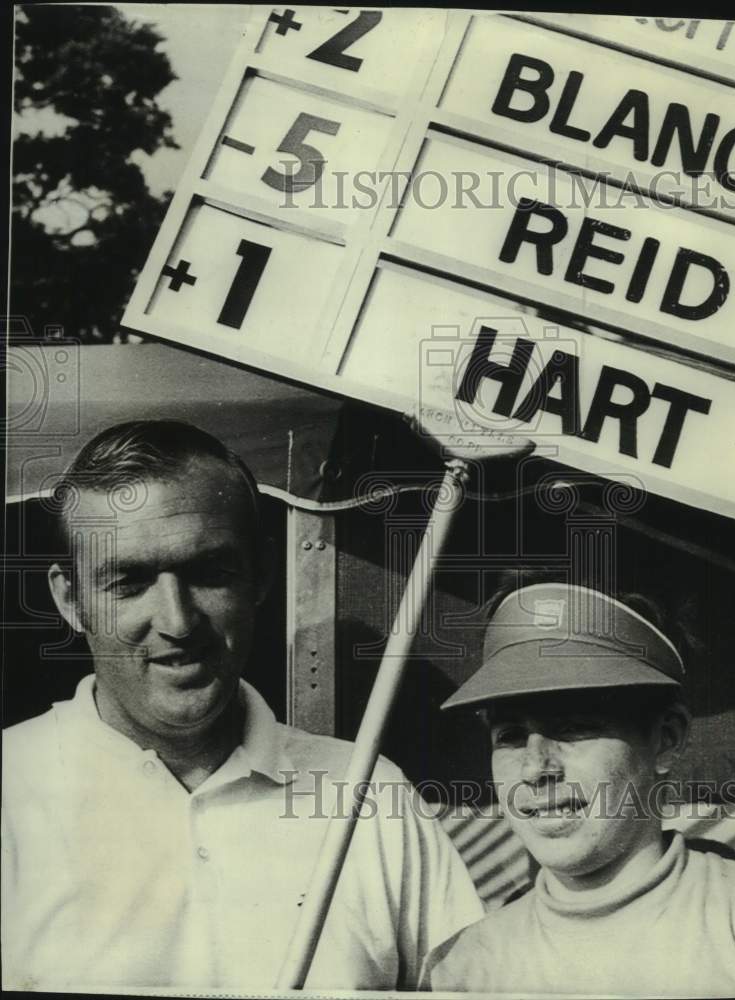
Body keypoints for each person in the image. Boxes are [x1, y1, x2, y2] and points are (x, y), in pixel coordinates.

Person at [1, 420, 484, 992]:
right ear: (69, 599)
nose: (178, 621)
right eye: (129, 582)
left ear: (260, 575)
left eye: (209, 574)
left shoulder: (370, 796)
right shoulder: (11, 789)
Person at [422, 581, 735, 997]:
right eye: (511, 735)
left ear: (666, 738)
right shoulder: (460, 970)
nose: (537, 767)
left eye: (574, 727)